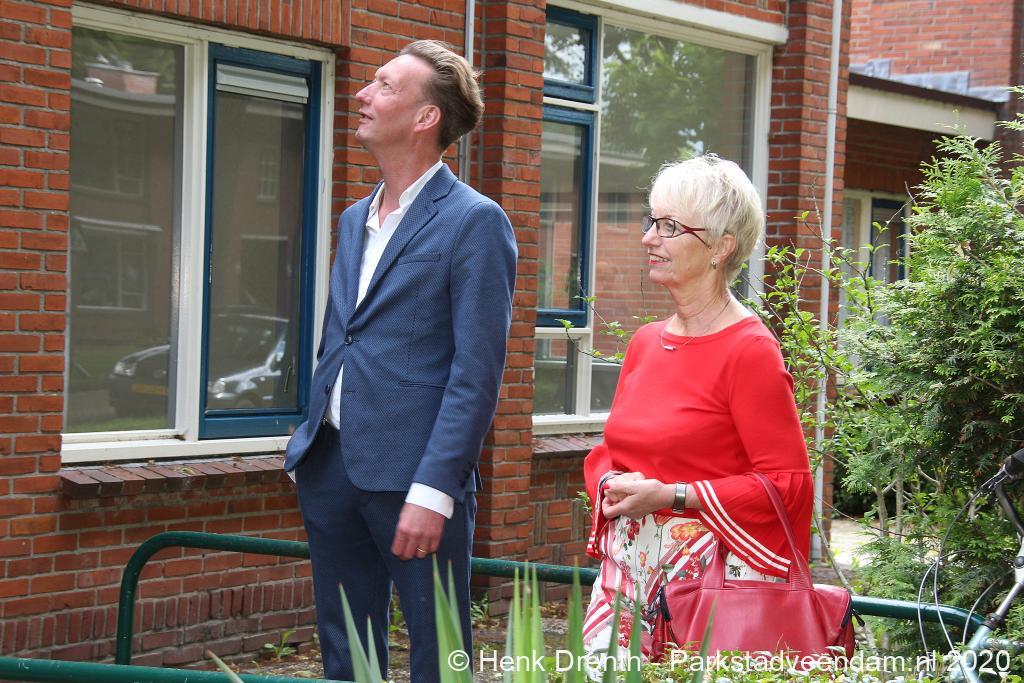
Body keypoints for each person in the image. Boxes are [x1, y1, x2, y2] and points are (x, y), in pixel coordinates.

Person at [283, 40, 517, 682]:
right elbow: (343, 337)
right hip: (330, 466)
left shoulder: (475, 222)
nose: (363, 94)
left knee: (439, 657)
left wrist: (435, 491)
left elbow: (477, 374)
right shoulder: (354, 219)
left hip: (414, 481)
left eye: (385, 86)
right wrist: (309, 438)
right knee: (345, 656)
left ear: (425, 117)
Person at [580, 155, 813, 668]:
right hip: (626, 576)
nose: (648, 238)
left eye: (670, 227)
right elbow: (611, 451)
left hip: (709, 591)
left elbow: (787, 485)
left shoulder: (750, 350)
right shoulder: (645, 342)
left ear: (721, 247)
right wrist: (611, 481)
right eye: (652, 221)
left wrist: (674, 495)